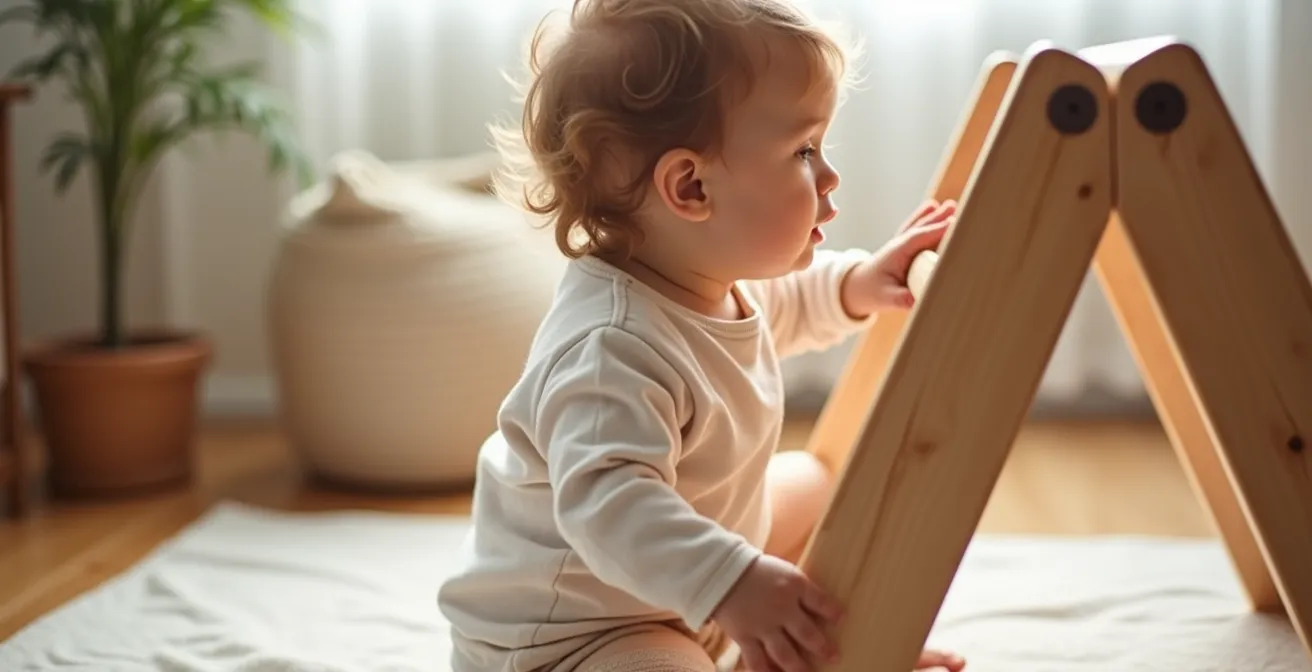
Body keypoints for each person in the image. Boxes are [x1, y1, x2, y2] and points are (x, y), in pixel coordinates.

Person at [438, 1, 967, 670]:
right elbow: (609, 506)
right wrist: (735, 582)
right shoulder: (611, 348)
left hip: (669, 592)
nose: (829, 176)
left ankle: (810, 641)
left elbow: (790, 303)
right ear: (690, 187)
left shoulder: (706, 283)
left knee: (816, 481)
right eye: (804, 150)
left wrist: (860, 282)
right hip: (573, 637)